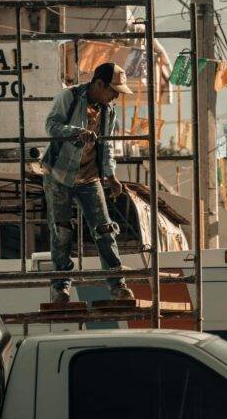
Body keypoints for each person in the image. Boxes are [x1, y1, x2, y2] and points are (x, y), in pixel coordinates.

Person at [42, 62, 134, 303]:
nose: (115, 96)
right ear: (99, 84)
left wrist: (111, 177)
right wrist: (75, 132)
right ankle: (60, 287)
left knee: (105, 230)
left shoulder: (108, 111)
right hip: (58, 174)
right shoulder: (69, 97)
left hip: (89, 177)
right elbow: (51, 126)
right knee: (61, 231)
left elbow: (107, 147)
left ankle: (117, 285)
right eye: (113, 90)